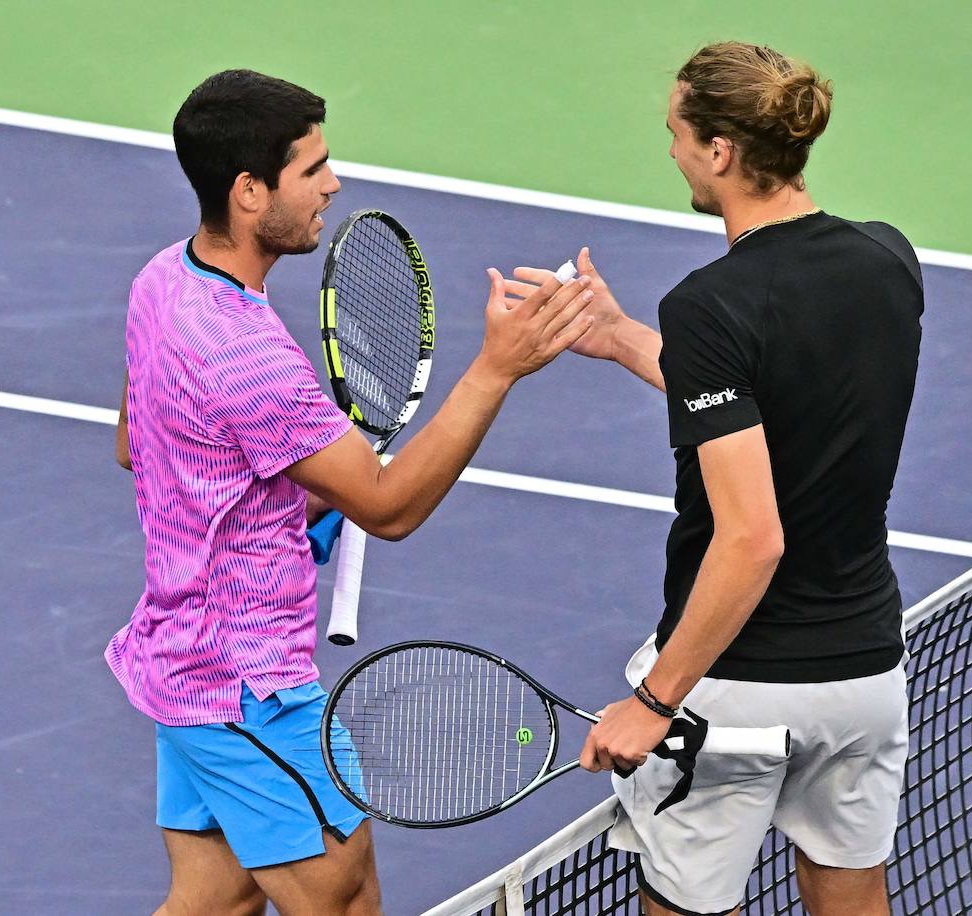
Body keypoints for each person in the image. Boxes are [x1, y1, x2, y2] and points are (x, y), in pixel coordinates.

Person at [110, 69, 594, 916]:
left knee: (214, 900)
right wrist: (497, 366)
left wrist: (293, 487)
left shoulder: (162, 283)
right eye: (312, 169)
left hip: (185, 657)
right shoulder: (250, 356)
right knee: (342, 895)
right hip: (244, 685)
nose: (333, 183)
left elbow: (138, 446)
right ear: (250, 191)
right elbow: (390, 504)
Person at [510, 42, 923, 916]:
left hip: (735, 694)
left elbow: (753, 536)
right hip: (864, 679)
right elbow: (767, 397)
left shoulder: (709, 304)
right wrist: (620, 336)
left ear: (721, 151)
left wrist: (656, 701)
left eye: (677, 134)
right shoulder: (889, 262)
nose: (671, 151)